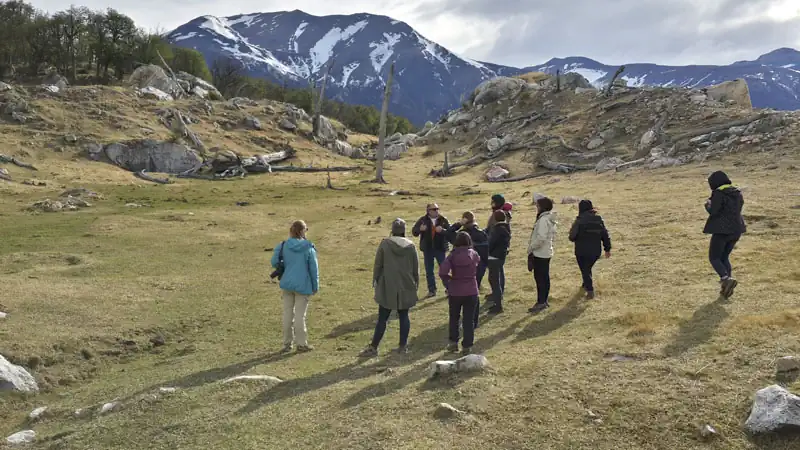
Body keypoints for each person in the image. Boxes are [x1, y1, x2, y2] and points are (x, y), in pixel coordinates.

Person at [360, 218, 420, 357]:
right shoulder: (411, 246)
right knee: (404, 315)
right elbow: (415, 267)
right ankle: (402, 346)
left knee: (383, 317)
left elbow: (378, 264)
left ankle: (374, 347)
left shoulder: (385, 244)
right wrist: (416, 282)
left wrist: (375, 279)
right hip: (406, 283)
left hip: (388, 284)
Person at [271, 220, 319, 353]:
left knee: (287, 314)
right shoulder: (308, 248)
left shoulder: (283, 245)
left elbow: (274, 261)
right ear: (303, 231)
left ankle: (287, 344)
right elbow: (314, 269)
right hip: (303, 285)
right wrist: (315, 286)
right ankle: (301, 343)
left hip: (287, 284)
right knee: (300, 316)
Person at [703, 170, 746, 298]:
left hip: (722, 231)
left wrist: (707, 205)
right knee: (724, 257)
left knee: (714, 258)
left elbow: (714, 211)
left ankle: (726, 279)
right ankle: (727, 288)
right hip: (736, 230)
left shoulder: (718, 193)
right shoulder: (737, 192)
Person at [439, 232, 481, 354]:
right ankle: (467, 346)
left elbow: (443, 272)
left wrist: (448, 283)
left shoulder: (452, 256)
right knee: (469, 319)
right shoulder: (473, 254)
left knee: (454, 318)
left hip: (456, 290)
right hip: (472, 290)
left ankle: (453, 343)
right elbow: (478, 263)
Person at [568, 200, 611, 299]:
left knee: (585, 270)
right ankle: (585, 284)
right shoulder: (598, 219)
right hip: (595, 251)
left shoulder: (579, 220)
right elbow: (605, 235)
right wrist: (607, 249)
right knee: (587, 269)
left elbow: (571, 237)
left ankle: (590, 290)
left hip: (581, 251)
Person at [412, 203, 451, 298]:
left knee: (444, 269)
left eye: (437, 208)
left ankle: (449, 288)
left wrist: (443, 230)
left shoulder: (443, 219)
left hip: (440, 249)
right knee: (429, 270)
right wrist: (420, 229)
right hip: (428, 249)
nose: (436, 210)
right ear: (428, 211)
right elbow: (414, 232)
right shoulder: (423, 220)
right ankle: (432, 290)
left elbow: (450, 233)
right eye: (434, 209)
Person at [527, 197, 557, 313]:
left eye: (538, 206)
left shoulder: (544, 220)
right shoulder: (549, 218)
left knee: (540, 278)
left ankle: (541, 302)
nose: (536, 208)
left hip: (540, 253)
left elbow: (541, 238)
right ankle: (543, 301)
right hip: (546, 252)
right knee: (544, 277)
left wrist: (531, 248)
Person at [486, 210, 511, 314]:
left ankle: (498, 305)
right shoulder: (506, 228)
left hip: (494, 257)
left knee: (494, 281)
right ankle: (497, 303)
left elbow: (491, 243)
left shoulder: (497, 229)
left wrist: (486, 252)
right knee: (497, 279)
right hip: (501, 256)